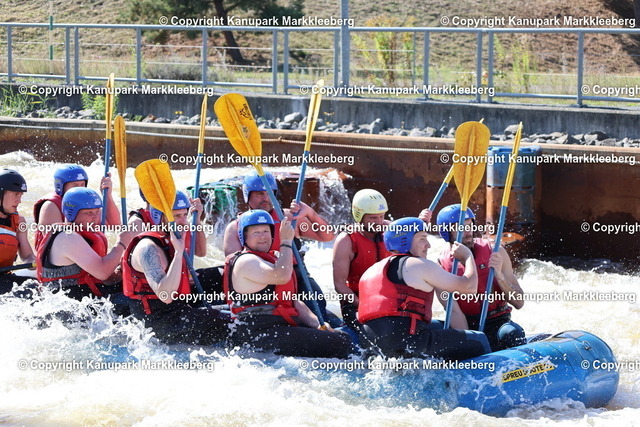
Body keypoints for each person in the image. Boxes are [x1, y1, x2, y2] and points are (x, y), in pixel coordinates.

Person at [357, 217, 490, 360]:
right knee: (479, 339)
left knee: (443, 327)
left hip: (373, 348)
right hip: (407, 344)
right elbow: (470, 287)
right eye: (422, 239)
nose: (428, 245)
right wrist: (468, 256)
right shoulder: (417, 264)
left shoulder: (370, 271)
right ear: (405, 241)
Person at [224, 209, 352, 358]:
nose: (262, 236)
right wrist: (286, 241)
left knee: (340, 337)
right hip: (257, 333)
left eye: (265, 231)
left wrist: (318, 324)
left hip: (277, 327)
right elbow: (281, 276)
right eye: (256, 232)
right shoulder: (246, 261)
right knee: (340, 343)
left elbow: (291, 300)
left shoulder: (271, 259)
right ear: (244, 237)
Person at [223, 170, 337, 324]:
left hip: (295, 274)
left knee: (316, 299)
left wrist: (311, 214)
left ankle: (322, 328)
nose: (266, 198)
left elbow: (327, 236)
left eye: (269, 193)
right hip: (261, 279)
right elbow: (235, 269)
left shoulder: (288, 217)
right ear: (247, 195)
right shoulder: (235, 227)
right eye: (259, 194)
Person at [122, 192, 230, 345]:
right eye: (177, 216)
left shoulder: (173, 234)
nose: (183, 221)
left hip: (179, 303)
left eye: (185, 214)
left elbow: (201, 251)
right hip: (159, 320)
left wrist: (196, 220)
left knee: (226, 273)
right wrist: (179, 253)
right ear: (160, 217)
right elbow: (165, 295)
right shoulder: (148, 248)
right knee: (229, 322)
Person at [332, 189, 432, 331]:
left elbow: (414, 252)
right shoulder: (346, 241)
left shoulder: (389, 229)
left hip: (388, 297)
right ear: (359, 216)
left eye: (381, 216)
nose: (378, 222)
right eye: (373, 218)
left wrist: (419, 225)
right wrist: (363, 305)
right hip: (356, 301)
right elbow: (340, 286)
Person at [436, 204, 526, 351]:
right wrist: (471, 344)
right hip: (469, 325)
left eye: (469, 226)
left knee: (512, 333)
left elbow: (519, 302)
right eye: (460, 228)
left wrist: (500, 277)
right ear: (446, 232)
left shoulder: (496, 252)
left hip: (499, 323)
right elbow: (454, 313)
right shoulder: (441, 267)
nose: (467, 231)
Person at [36, 187, 133, 307]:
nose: (95, 218)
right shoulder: (67, 237)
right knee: (135, 303)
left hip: (87, 299)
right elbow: (102, 272)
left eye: (97, 212)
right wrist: (121, 243)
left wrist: (121, 270)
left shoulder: (84, 234)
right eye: (89, 213)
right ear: (71, 213)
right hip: (68, 307)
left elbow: (105, 278)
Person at [33, 164, 121, 249]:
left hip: (83, 254)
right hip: (65, 255)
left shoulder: (86, 201)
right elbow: (56, 244)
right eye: (75, 185)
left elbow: (114, 225)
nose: (80, 188)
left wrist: (107, 196)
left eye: (82, 184)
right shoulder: (50, 206)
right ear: (61, 186)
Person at [0, 169, 36, 294]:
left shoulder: (19, 221)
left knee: (34, 286)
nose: (19, 200)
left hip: (5, 277)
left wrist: (34, 261)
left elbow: (27, 256)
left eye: (20, 195)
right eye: (15, 194)